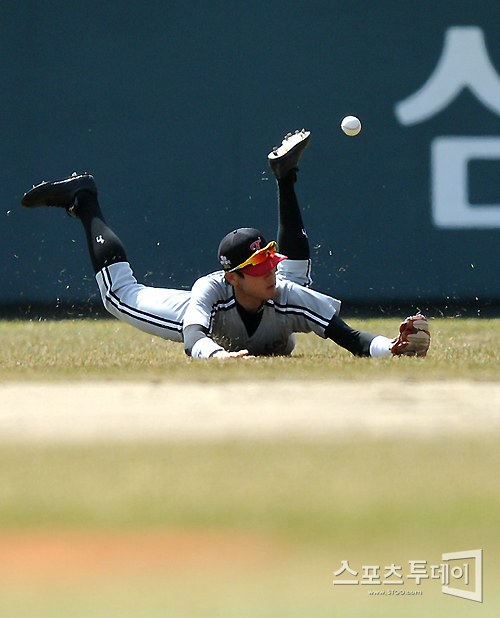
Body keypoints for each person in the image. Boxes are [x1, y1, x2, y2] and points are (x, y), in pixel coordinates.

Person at [21, 130, 430, 359]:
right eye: (259, 267)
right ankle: (84, 198)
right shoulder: (211, 290)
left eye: (270, 262)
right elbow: (193, 339)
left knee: (295, 285)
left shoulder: (282, 292)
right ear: (232, 277)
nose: (270, 271)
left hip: (266, 322)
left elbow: (350, 337)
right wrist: (218, 356)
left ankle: (286, 177)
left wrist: (390, 348)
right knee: (119, 296)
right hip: (207, 319)